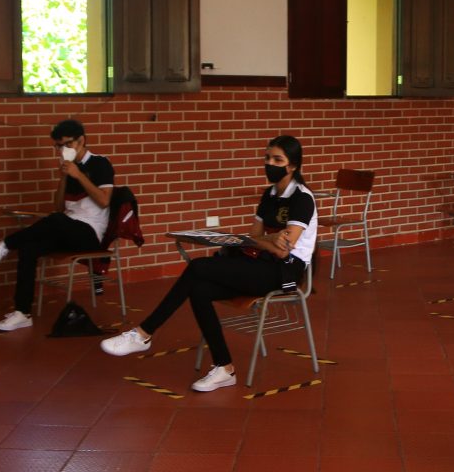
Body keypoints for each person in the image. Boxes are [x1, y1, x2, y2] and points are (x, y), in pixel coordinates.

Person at [100, 135, 317, 393]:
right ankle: (224, 368)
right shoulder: (268, 195)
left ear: (292, 166)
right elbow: (254, 237)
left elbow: (283, 252)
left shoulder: (302, 198)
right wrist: (268, 239)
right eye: (267, 158)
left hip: (285, 272)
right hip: (259, 263)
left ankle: (144, 333)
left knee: (197, 268)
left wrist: (265, 240)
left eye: (277, 160)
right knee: (199, 289)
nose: (269, 163)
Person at [0, 119, 115, 331]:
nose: (62, 150)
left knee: (56, 219)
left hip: (88, 232)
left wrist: (78, 175)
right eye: (58, 146)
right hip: (65, 226)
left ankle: (6, 244)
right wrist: (63, 178)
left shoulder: (100, 164)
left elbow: (104, 201)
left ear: (81, 141)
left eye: (66, 144)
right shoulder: (68, 168)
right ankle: (22, 312)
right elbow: (60, 207)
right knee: (29, 248)